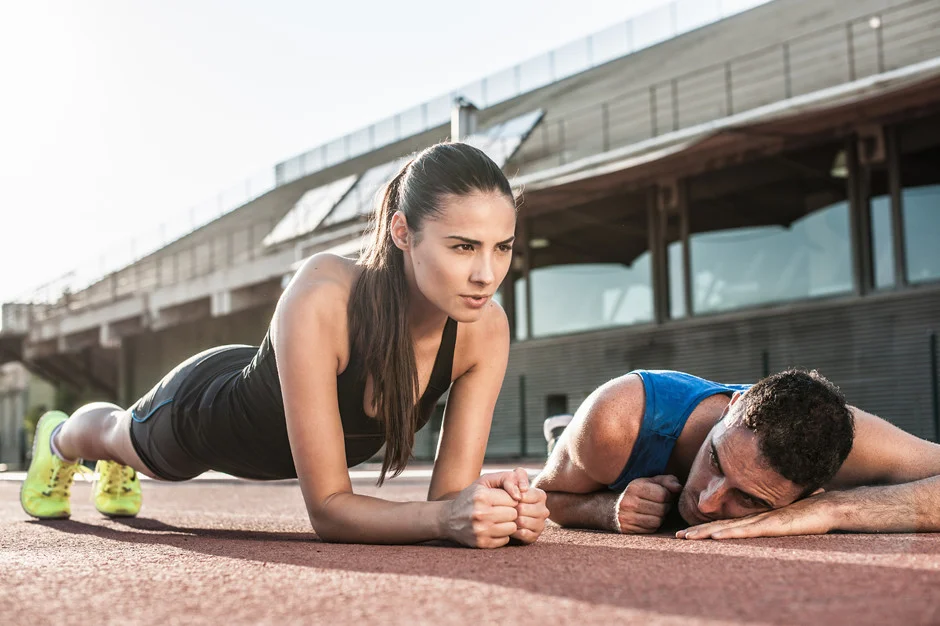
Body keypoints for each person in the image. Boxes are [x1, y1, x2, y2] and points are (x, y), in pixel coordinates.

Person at [21, 142, 549, 549]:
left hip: (266, 383)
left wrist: (495, 509)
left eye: (501, 247)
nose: (487, 274)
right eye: (463, 247)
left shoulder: (485, 330)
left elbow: (448, 505)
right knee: (120, 436)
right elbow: (329, 510)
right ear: (402, 233)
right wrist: (448, 517)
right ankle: (61, 438)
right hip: (202, 415)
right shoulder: (324, 294)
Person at [534, 368, 940, 539]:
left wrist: (834, 510)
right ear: (732, 408)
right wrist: (608, 509)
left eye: (749, 498)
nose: (707, 502)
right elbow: (545, 498)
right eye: (715, 460)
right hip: (604, 446)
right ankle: (562, 431)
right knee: (573, 449)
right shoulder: (620, 421)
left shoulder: (848, 444)